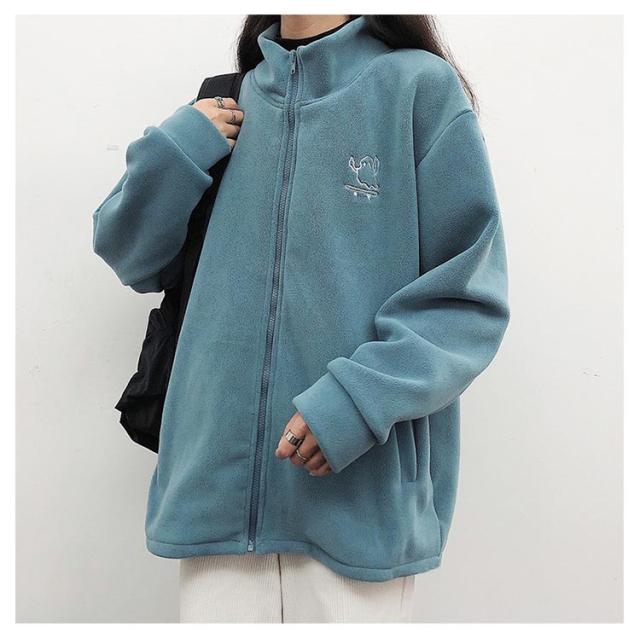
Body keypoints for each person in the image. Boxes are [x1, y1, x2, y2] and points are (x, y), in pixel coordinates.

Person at [92, 14, 509, 623]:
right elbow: (130, 256)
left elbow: (466, 297)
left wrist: (354, 403)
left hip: (357, 499)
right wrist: (177, 147)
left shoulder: (415, 88)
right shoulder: (228, 104)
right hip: (214, 500)